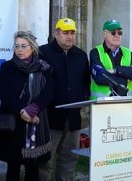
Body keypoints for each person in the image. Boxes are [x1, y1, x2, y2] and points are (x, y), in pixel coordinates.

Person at [0, 31, 55, 181]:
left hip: (36, 123)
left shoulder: (43, 68)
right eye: (16, 46)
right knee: (13, 167)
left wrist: (33, 110)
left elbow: (48, 91)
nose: (19, 49)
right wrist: (23, 112)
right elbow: (5, 94)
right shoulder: (7, 67)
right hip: (14, 124)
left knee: (33, 167)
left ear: (32, 48)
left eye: (23, 46)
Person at [38, 18, 90, 181]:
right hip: (49, 119)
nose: (70, 37)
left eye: (72, 33)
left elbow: (85, 83)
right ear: (56, 33)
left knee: (69, 159)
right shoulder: (42, 53)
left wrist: (82, 101)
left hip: (73, 118)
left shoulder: (81, 56)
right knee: (44, 160)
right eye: (65, 33)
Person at [89, 19, 132, 99]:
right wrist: (125, 78)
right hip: (102, 105)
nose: (117, 35)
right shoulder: (96, 52)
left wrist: (115, 70)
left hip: (126, 104)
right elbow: (100, 77)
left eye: (119, 33)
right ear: (104, 34)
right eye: (113, 32)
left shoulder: (127, 52)